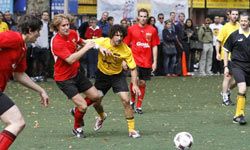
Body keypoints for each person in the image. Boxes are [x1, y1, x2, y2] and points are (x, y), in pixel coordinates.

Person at [50, 14, 106, 138]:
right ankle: (77, 128)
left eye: (67, 25)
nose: (66, 28)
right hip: (64, 79)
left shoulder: (73, 33)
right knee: (83, 106)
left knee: (96, 96)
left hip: (76, 74)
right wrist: (86, 48)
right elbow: (70, 59)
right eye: (63, 26)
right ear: (57, 27)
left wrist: (98, 47)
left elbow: (82, 42)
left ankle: (76, 111)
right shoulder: (56, 42)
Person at [0, 14, 49, 149]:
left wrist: (41, 90)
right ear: (29, 30)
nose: (39, 35)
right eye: (38, 31)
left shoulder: (22, 48)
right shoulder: (13, 37)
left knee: (17, 123)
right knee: (17, 122)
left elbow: (19, 75)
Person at [86, 24, 141, 138]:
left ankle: (131, 130)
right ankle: (102, 116)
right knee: (96, 103)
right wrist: (98, 47)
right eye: (116, 35)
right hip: (102, 76)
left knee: (126, 100)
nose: (119, 38)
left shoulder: (126, 50)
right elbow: (84, 42)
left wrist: (134, 84)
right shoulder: (103, 41)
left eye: (121, 35)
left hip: (117, 76)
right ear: (111, 35)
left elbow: (133, 68)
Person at [124, 8, 160, 114]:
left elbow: (154, 46)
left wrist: (155, 61)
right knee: (134, 81)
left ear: (147, 17)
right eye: (141, 16)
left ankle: (139, 106)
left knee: (142, 83)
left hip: (147, 61)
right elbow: (125, 45)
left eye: (145, 16)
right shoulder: (131, 29)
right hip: (134, 60)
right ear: (138, 17)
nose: (143, 18)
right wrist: (125, 60)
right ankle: (131, 101)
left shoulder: (152, 30)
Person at [223, 12, 250, 125]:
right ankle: (238, 115)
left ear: (249, 22)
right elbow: (225, 50)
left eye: (245, 21)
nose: (243, 23)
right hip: (237, 65)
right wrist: (225, 67)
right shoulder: (234, 35)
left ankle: (229, 89)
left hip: (249, 66)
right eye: (242, 21)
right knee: (243, 88)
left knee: (241, 85)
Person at [216, 9, 239, 106]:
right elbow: (218, 41)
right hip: (227, 56)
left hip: (238, 56)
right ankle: (225, 98)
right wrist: (217, 52)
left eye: (236, 14)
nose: (235, 16)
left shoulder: (240, 25)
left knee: (240, 79)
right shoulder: (225, 27)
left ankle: (226, 91)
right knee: (228, 77)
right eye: (233, 14)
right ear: (229, 15)